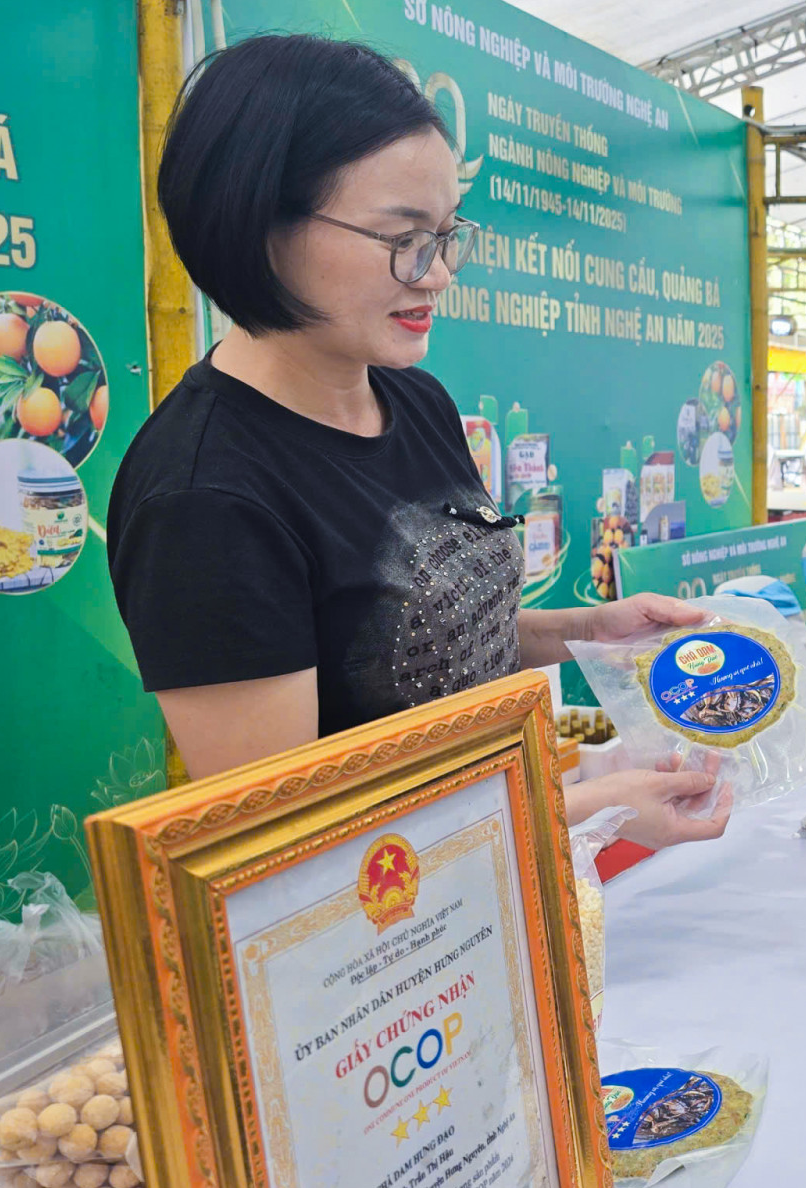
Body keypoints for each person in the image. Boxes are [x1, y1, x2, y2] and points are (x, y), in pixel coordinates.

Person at [107, 34, 730, 852]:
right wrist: (586, 808)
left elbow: (422, 644)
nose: (437, 273)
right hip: (384, 953)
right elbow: (290, 846)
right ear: (260, 222)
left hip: (495, 886)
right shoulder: (205, 501)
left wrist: (593, 630)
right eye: (403, 237)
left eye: (445, 233)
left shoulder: (411, 397)